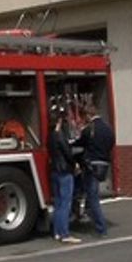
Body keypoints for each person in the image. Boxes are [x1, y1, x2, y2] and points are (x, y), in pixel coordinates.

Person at [73, 104, 114, 237]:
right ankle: (84, 214)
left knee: (92, 196)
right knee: (90, 193)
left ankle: (101, 228)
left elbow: (79, 143)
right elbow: (111, 143)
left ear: (88, 116)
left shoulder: (89, 129)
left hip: (91, 166)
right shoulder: (108, 129)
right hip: (103, 165)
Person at [47, 108, 80, 244]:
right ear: (60, 120)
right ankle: (65, 234)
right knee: (66, 203)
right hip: (65, 171)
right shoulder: (60, 135)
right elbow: (68, 153)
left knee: (58, 203)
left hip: (54, 170)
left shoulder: (50, 136)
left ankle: (57, 232)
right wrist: (75, 165)